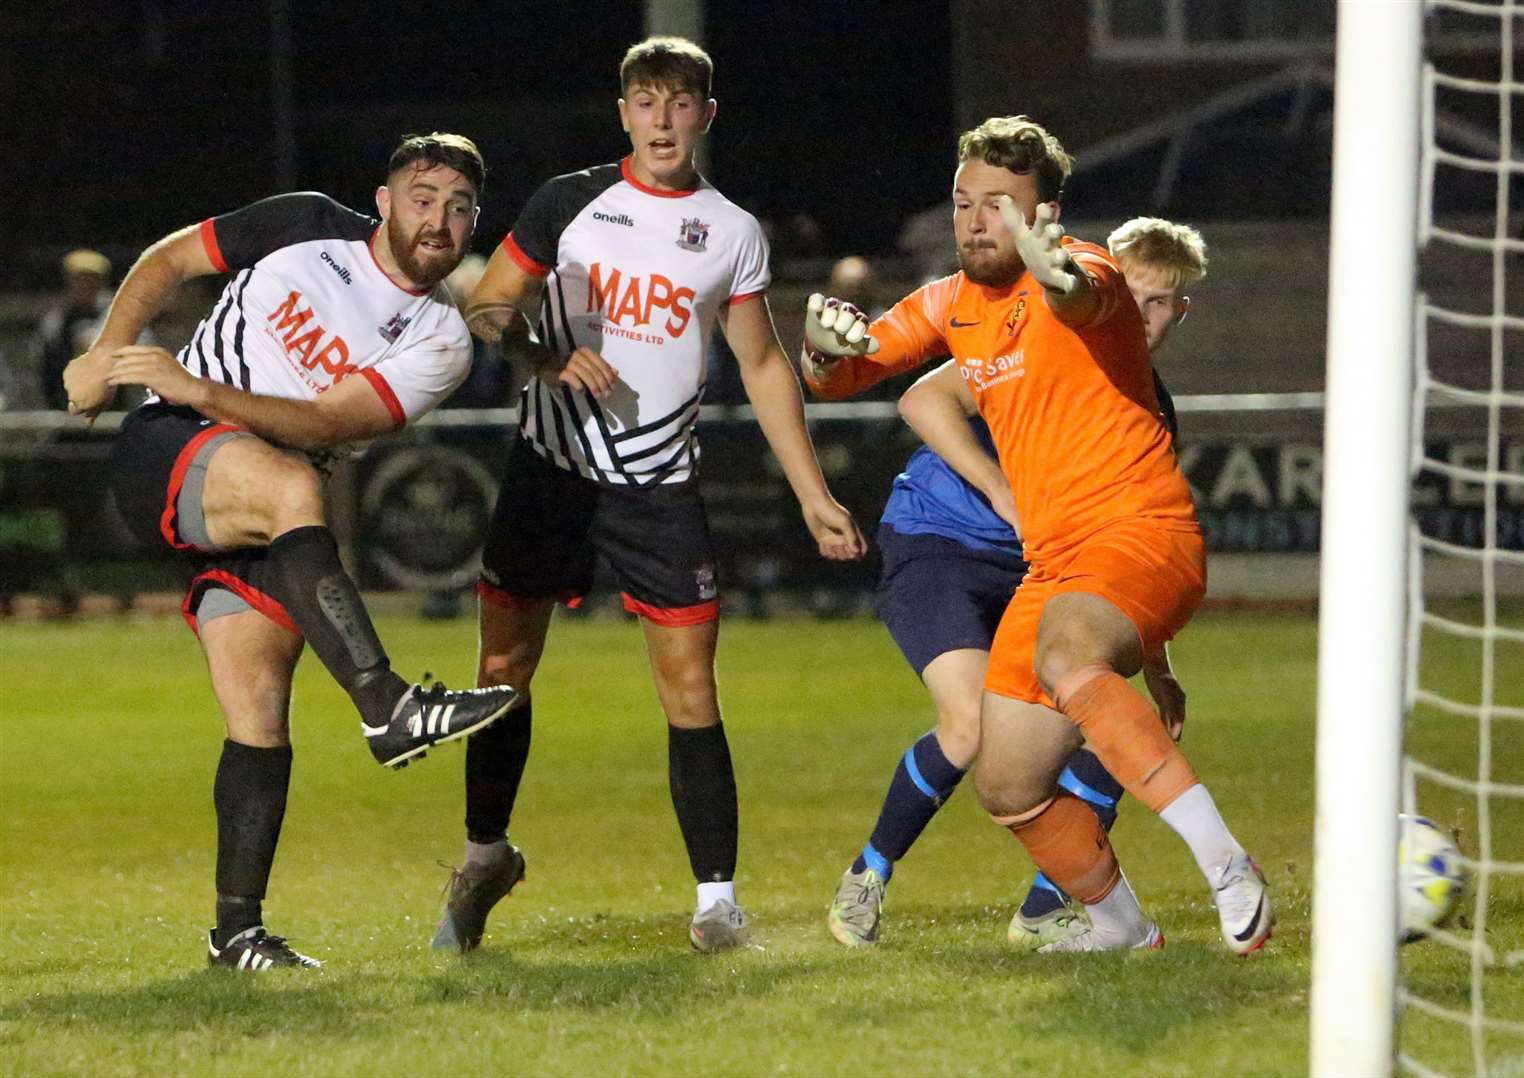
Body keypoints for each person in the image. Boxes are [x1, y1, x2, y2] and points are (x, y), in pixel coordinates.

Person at [431, 37, 865, 956]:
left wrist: (813, 493)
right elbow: (488, 308)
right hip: (550, 472)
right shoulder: (568, 201)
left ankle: (715, 902)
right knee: (502, 672)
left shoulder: (734, 230)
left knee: (691, 687)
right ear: (622, 112)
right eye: (646, 102)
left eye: (680, 104)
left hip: (657, 487)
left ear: (707, 116)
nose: (662, 121)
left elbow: (759, 361)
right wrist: (549, 356)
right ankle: (481, 860)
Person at [802, 116, 1272, 955]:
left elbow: (1085, 297)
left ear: (1044, 213)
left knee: (1066, 657)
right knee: (1008, 781)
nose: (978, 221)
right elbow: (853, 372)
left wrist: (1062, 279)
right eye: (964, 204)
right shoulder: (951, 301)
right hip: (1052, 565)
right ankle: (1120, 927)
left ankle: (1227, 864)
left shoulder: (1086, 270)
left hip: (1138, 532)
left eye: (1001, 207)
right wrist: (817, 353)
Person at [61, 133, 521, 971]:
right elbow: (169, 260)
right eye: (422, 198)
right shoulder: (305, 223)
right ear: (384, 201)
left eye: (459, 209)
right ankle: (386, 703)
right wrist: (104, 351)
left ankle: (235, 933)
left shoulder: (442, 340)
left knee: (260, 714)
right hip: (172, 445)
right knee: (293, 490)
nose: (439, 220)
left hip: (267, 508)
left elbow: (325, 425)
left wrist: (200, 382)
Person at [30, 250, 154, 411]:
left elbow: (145, 355)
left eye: (91, 280)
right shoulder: (56, 322)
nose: (85, 285)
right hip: (66, 416)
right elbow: (41, 366)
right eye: (79, 280)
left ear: (102, 283)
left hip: (113, 415)